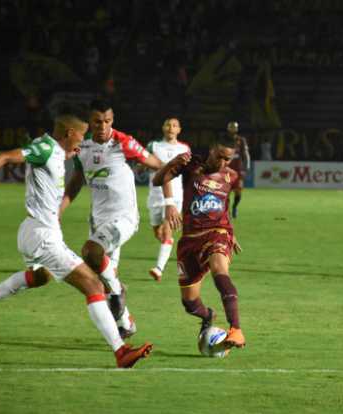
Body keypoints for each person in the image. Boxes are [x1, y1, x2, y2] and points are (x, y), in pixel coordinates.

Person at [0, 109, 152, 368]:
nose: (83, 142)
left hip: (32, 230)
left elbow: (71, 181)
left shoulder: (57, 152)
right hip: (42, 235)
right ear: (69, 133)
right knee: (94, 285)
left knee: (41, 277)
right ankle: (121, 351)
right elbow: (3, 156)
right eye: (81, 136)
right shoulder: (45, 148)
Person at [60, 100, 166, 337]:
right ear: (89, 122)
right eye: (97, 121)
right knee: (99, 281)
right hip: (98, 220)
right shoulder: (83, 147)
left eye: (107, 121)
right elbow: (77, 180)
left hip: (124, 217)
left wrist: (169, 205)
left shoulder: (122, 142)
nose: (103, 126)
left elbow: (159, 166)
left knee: (91, 252)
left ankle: (119, 292)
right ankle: (126, 322)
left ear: (113, 120)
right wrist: (59, 211)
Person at [152, 135, 246, 350]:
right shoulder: (190, 164)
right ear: (211, 149)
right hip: (190, 240)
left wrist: (231, 233)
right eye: (220, 156)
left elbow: (224, 205)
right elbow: (157, 181)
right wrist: (173, 163)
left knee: (219, 269)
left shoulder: (231, 176)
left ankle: (236, 329)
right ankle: (208, 316)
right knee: (190, 303)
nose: (223, 163)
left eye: (228, 159)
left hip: (217, 234)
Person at [145, 117, 191, 282]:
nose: (171, 128)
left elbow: (189, 172)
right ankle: (170, 245)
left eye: (175, 125)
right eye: (168, 124)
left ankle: (158, 268)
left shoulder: (184, 148)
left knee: (166, 231)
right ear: (163, 127)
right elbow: (144, 162)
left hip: (175, 197)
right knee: (159, 232)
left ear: (179, 130)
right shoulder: (153, 146)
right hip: (155, 195)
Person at [226, 121, 250, 219]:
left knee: (238, 191)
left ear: (237, 129)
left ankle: (235, 207)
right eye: (231, 127)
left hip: (238, 170)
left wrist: (247, 166)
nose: (233, 129)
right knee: (225, 193)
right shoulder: (224, 140)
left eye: (234, 127)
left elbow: (246, 154)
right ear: (228, 129)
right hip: (226, 170)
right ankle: (227, 212)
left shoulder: (241, 140)